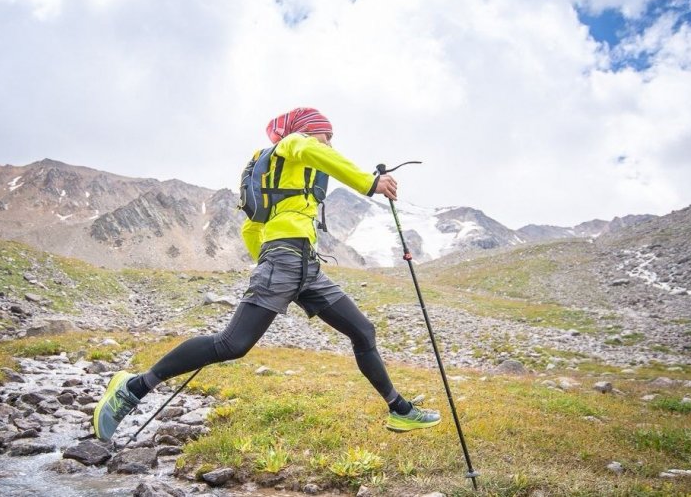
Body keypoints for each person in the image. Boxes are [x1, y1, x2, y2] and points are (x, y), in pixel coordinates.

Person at [93, 107, 441, 441]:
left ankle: (400, 409)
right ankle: (133, 387)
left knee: (363, 331)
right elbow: (310, 150)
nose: (330, 143)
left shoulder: (286, 171)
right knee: (232, 345)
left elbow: (250, 229)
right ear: (307, 129)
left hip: (305, 265)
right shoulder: (294, 143)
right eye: (327, 134)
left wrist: (270, 259)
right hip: (286, 260)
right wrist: (370, 183)